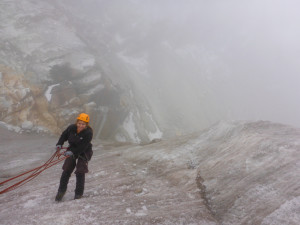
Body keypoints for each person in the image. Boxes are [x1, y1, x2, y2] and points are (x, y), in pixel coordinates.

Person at [54, 113, 93, 201]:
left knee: (80, 171)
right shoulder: (71, 128)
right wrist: (59, 144)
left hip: (85, 151)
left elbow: (83, 146)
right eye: (79, 123)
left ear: (86, 125)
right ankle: (61, 192)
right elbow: (64, 135)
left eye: (83, 124)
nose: (81, 125)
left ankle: (78, 194)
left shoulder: (88, 132)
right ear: (76, 122)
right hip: (72, 149)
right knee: (66, 170)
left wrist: (72, 152)